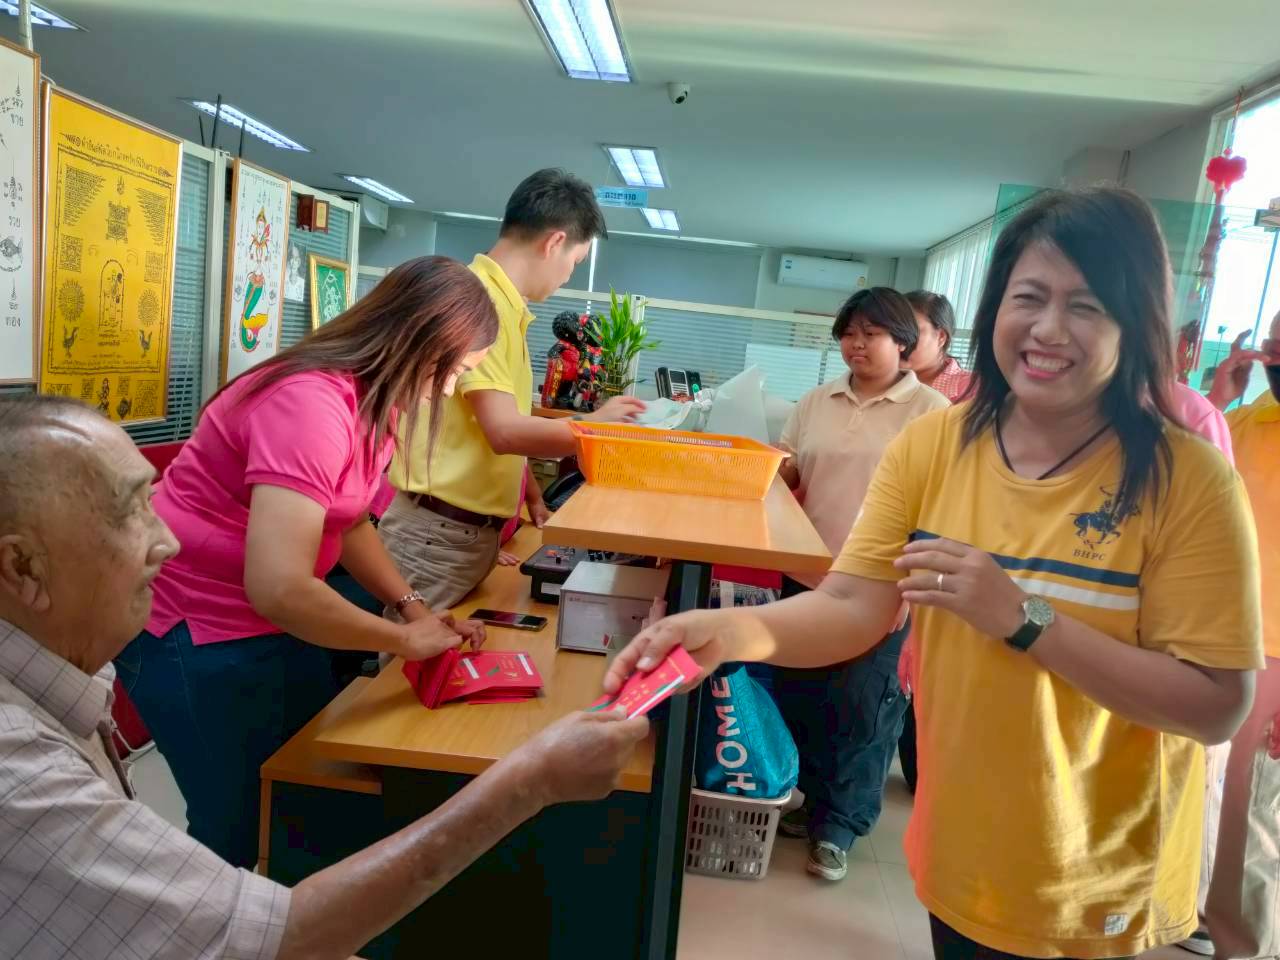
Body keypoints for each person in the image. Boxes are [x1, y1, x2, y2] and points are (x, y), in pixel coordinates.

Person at [607, 187, 1264, 960]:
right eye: (1029, 297)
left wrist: (1024, 619)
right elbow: (851, 605)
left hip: (1098, 880)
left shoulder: (1188, 478)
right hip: (960, 852)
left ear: (1135, 321)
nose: (1049, 328)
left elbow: (1217, 705)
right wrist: (718, 632)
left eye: (1086, 305)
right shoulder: (935, 445)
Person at [0, 394, 649, 960]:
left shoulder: (64, 678)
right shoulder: (22, 774)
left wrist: (411, 614)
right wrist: (531, 779)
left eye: (153, 500)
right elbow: (273, 939)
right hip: (212, 643)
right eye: (128, 513)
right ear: (21, 568)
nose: (167, 540)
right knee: (239, 820)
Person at [115, 257, 500, 869]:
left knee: (301, 789)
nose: (449, 389)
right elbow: (279, 587)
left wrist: (414, 609)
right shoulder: (309, 404)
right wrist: (402, 640)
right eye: (450, 370)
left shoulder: (371, 401)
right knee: (235, 824)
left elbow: (347, 520)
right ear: (413, 341)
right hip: (194, 630)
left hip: (272, 625)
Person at [379, 169, 643, 611]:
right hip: (437, 534)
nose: (568, 277)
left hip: (457, 531)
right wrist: (593, 425)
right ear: (554, 242)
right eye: (575, 263)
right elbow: (503, 431)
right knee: (412, 650)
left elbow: (491, 430)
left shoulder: (502, 303)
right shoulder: (482, 303)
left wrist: (532, 497)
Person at [773, 287, 948, 881]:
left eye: (872, 334)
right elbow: (793, 469)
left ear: (903, 342)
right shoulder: (816, 400)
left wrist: (910, 587)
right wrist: (769, 464)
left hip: (880, 585)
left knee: (863, 706)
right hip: (808, 572)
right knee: (804, 693)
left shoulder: (930, 412)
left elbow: (939, 508)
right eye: (849, 333)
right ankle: (812, 802)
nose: (857, 344)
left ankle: (840, 826)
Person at [1182, 313, 1280, 960]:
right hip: (1215, 641)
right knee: (1199, 791)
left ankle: (1244, 947)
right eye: (1274, 345)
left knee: (1253, 810)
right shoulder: (1244, 425)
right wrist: (1217, 399)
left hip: (1276, 659)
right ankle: (1194, 914)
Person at [897, 288, 972, 792]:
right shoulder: (890, 385)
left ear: (941, 337)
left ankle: (923, 770)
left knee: (926, 663)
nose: (900, 342)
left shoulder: (970, 393)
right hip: (894, 534)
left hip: (946, 542)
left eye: (912, 331)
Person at [904, 290, 972, 402]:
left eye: (909, 332)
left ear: (941, 337)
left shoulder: (971, 388)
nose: (897, 342)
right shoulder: (881, 380)